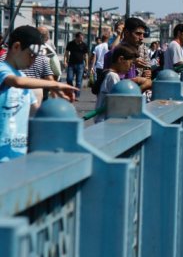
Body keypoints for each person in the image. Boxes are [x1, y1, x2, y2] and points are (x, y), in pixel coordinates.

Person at [0, 26, 78, 161]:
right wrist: (55, 84)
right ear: (16, 47)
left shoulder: (23, 76)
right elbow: (17, 82)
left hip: (19, 155)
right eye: (31, 55)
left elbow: (35, 111)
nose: (33, 61)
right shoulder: (2, 69)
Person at [103, 17, 152, 92]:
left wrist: (146, 74)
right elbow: (118, 86)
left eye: (143, 34)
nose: (141, 38)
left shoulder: (141, 49)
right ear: (126, 33)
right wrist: (141, 82)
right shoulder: (115, 53)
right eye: (138, 34)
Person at [94, 44, 139, 123]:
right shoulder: (113, 76)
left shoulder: (106, 72)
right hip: (105, 120)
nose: (131, 67)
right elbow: (120, 99)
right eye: (131, 63)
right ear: (121, 59)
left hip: (101, 119)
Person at [64, 32, 90, 98]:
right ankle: (71, 91)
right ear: (77, 37)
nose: (82, 39)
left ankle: (76, 95)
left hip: (80, 65)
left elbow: (86, 55)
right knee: (69, 79)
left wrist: (87, 65)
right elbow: (66, 53)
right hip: (71, 64)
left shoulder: (84, 45)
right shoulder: (70, 44)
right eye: (81, 38)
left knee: (78, 81)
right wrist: (65, 61)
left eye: (82, 38)